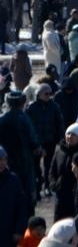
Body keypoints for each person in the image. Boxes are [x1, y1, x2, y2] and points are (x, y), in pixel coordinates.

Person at [0, 91, 40, 219]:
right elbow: (34, 141)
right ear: (22, 103)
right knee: (26, 195)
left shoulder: (2, 119)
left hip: (5, 160)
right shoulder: (24, 118)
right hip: (24, 161)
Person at [27, 85, 63, 204]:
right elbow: (28, 126)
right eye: (46, 94)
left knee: (49, 165)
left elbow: (59, 123)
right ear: (39, 94)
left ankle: (47, 186)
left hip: (50, 140)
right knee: (35, 165)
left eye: (50, 93)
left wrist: (60, 138)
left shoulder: (54, 106)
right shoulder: (31, 108)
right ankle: (38, 186)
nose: (49, 96)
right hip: (36, 142)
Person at [48, 125, 78, 222]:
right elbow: (52, 170)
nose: (70, 136)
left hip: (76, 196)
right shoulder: (59, 150)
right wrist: (53, 183)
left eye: (73, 134)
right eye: (68, 134)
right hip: (60, 195)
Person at [0, 146, 28, 247]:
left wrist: (19, 230)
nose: (2, 163)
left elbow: (21, 207)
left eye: (4, 159)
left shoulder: (13, 180)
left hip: (8, 232)